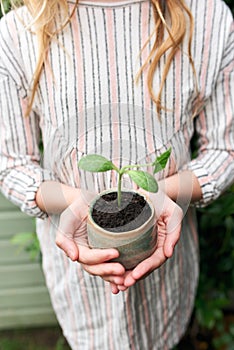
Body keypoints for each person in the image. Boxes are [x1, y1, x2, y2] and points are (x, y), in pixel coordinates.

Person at [0, 0, 233, 348]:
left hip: (169, 283)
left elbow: (225, 150)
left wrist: (166, 192)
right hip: (80, 292)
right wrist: (73, 201)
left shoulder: (208, 17)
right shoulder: (21, 31)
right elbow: (11, 161)